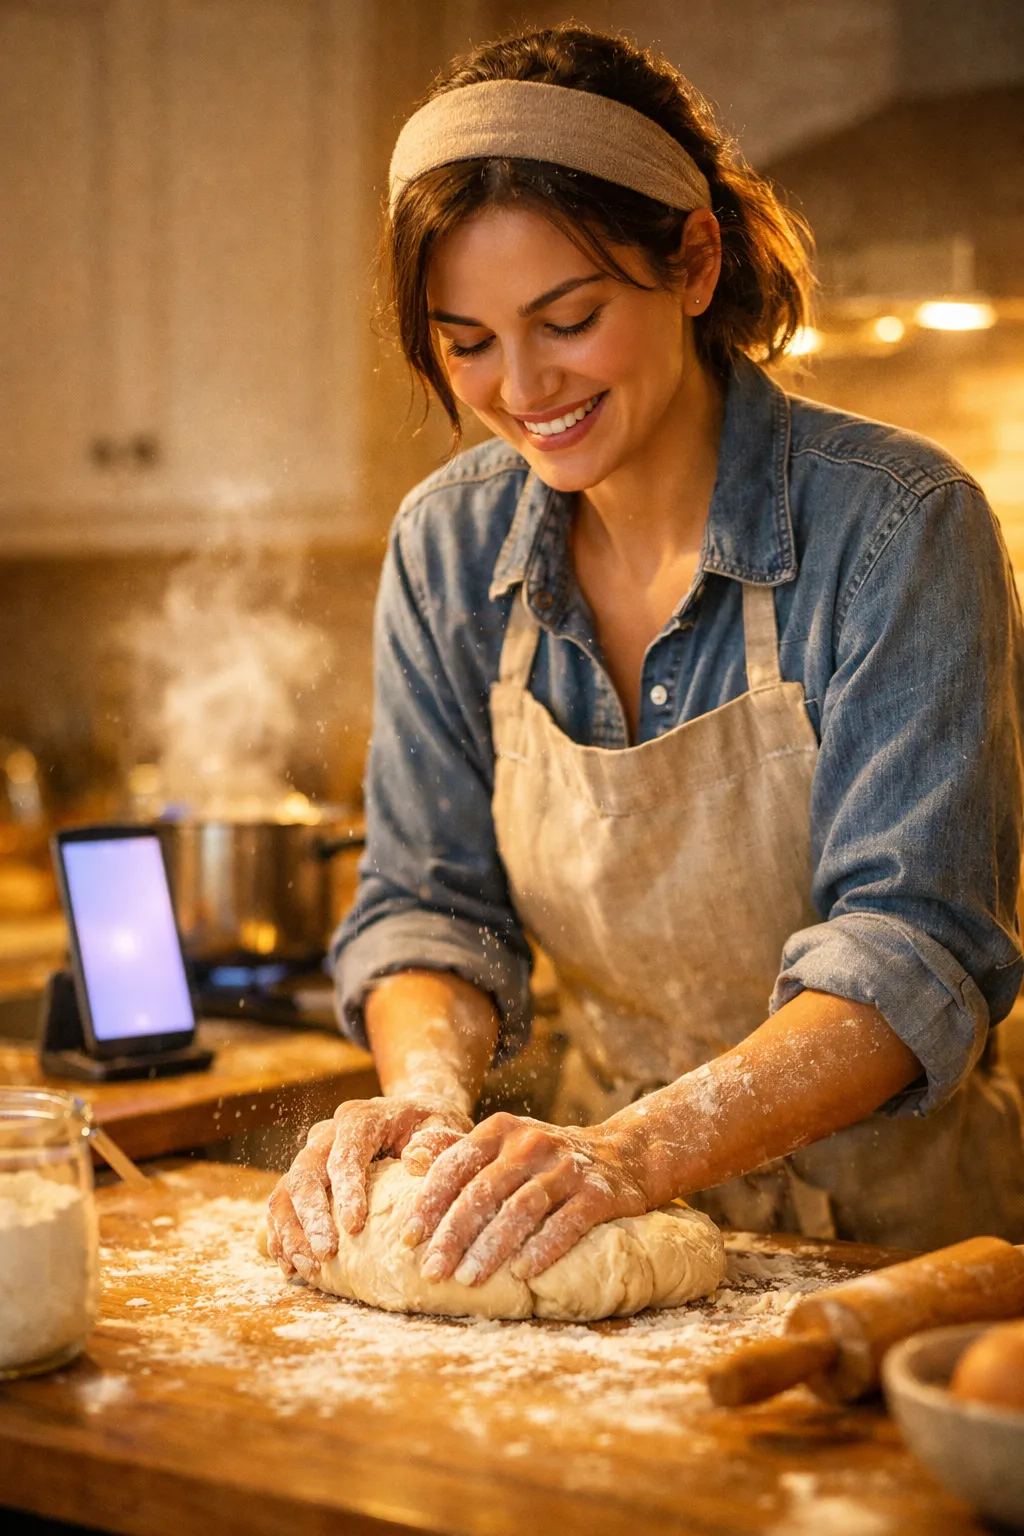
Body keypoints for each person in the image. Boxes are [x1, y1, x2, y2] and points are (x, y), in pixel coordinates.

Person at [266, 24, 1024, 1289]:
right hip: (587, 1233)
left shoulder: (899, 525)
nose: (521, 388)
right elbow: (427, 905)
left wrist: (632, 1151)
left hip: (899, 1263)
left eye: (567, 318)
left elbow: (914, 950)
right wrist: (427, 1097)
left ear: (691, 259)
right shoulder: (448, 546)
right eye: (466, 343)